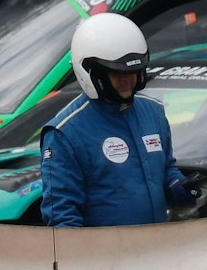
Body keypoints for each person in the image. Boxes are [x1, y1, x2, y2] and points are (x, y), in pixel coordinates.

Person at [42, 14, 198, 228]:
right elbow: (61, 216)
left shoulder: (154, 112)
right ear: (92, 74)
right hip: (106, 256)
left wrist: (177, 184)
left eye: (132, 71)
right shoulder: (64, 133)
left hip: (157, 248)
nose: (127, 79)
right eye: (116, 73)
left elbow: (165, 169)